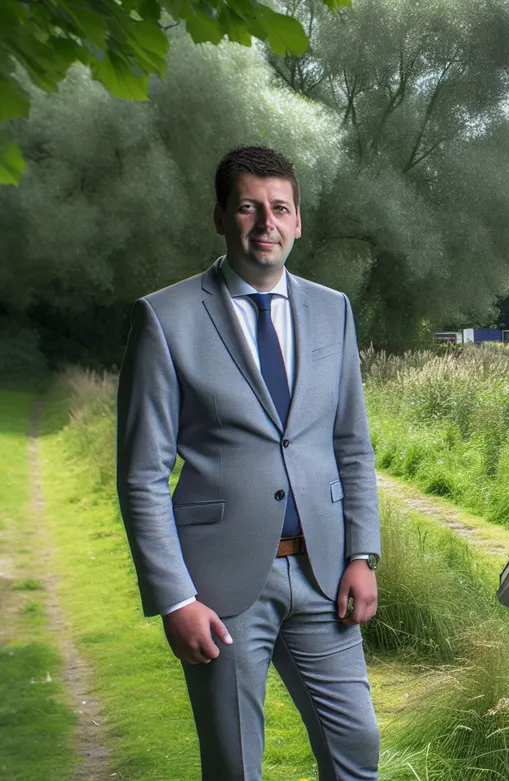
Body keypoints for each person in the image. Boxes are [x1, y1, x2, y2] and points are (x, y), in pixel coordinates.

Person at [116, 146, 381, 781]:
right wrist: (175, 598)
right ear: (220, 218)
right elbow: (142, 476)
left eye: (279, 208)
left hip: (324, 576)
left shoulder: (333, 310)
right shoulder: (165, 318)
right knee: (235, 767)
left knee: (359, 749)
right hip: (221, 586)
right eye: (248, 207)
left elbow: (352, 446)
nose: (265, 222)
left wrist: (362, 555)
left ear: (297, 221)